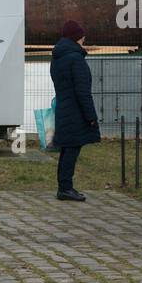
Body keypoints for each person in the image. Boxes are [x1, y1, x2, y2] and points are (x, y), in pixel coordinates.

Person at [49, 20, 100, 201]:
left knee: (66, 149)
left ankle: (64, 186)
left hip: (64, 108)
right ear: (76, 37)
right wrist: (91, 116)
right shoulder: (75, 59)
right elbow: (82, 91)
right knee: (72, 149)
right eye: (82, 37)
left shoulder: (57, 57)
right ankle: (65, 188)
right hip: (76, 111)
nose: (84, 40)